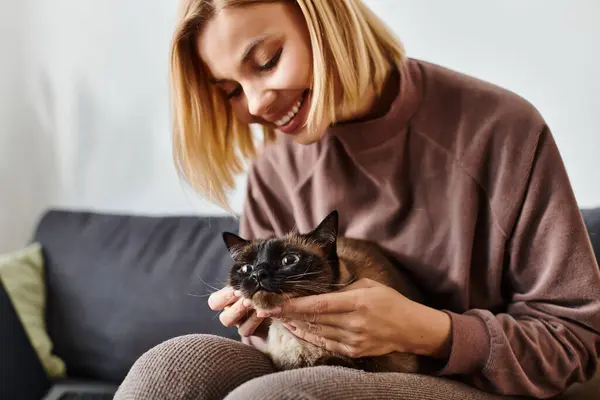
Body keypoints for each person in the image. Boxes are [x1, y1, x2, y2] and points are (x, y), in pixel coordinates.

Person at [114, 1, 600, 399]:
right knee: (171, 372)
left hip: (470, 384)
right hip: (315, 372)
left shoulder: (500, 129)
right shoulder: (274, 169)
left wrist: (427, 331)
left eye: (266, 61)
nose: (257, 103)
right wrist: (260, 317)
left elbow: (576, 342)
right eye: (230, 92)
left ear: (324, 18)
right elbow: (273, 346)